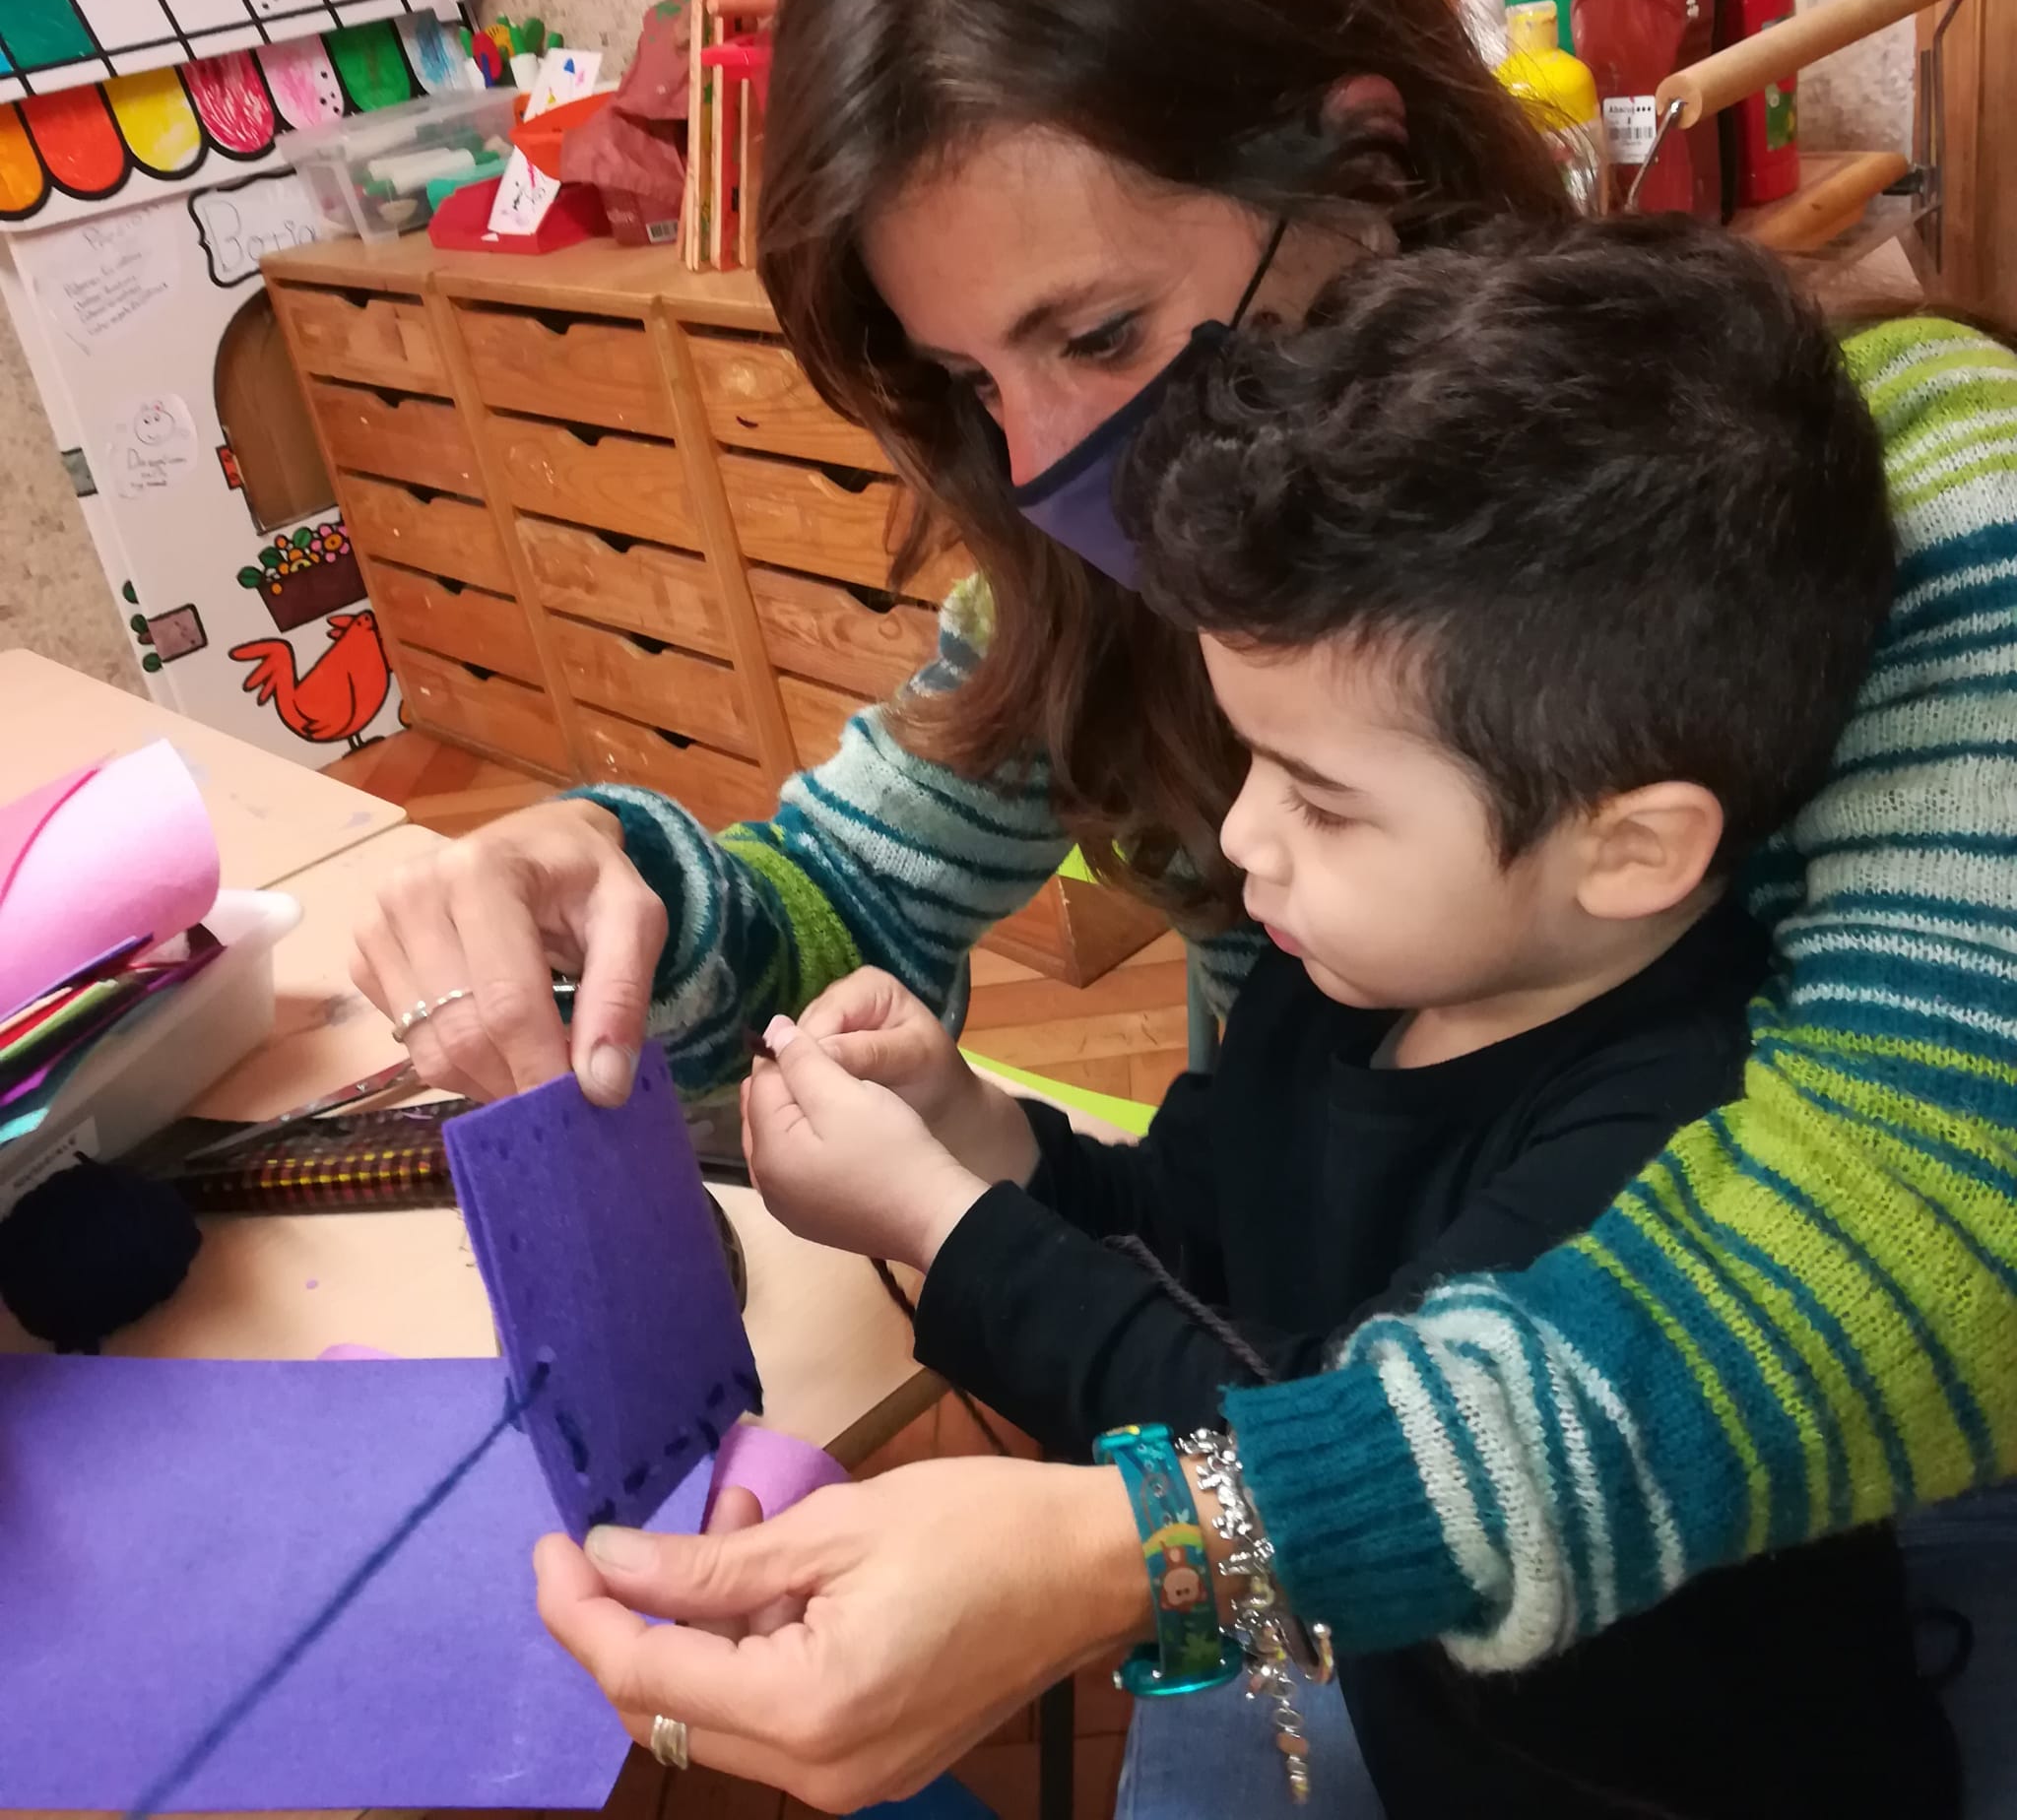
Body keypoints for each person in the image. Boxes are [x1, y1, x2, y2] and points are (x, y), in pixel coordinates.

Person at [355, 0, 2014, 1799]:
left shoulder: (1898, 481)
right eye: (974, 383)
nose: (1047, 454)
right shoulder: (1163, 615)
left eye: (1099, 333)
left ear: (1363, 163)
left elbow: (1924, 1223)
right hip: (1322, 1499)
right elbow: (852, 900)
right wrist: (616, 890)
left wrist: (1161, 1530)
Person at [717, 217, 1958, 1817]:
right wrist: (986, 1141)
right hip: (1440, 1737)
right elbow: (1205, 1234)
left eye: (1321, 797)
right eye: (1252, 762)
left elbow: (1285, 1448)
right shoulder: (1355, 974)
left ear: (1631, 849)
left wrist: (942, 1228)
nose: (1243, 839)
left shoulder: (1673, 1136)